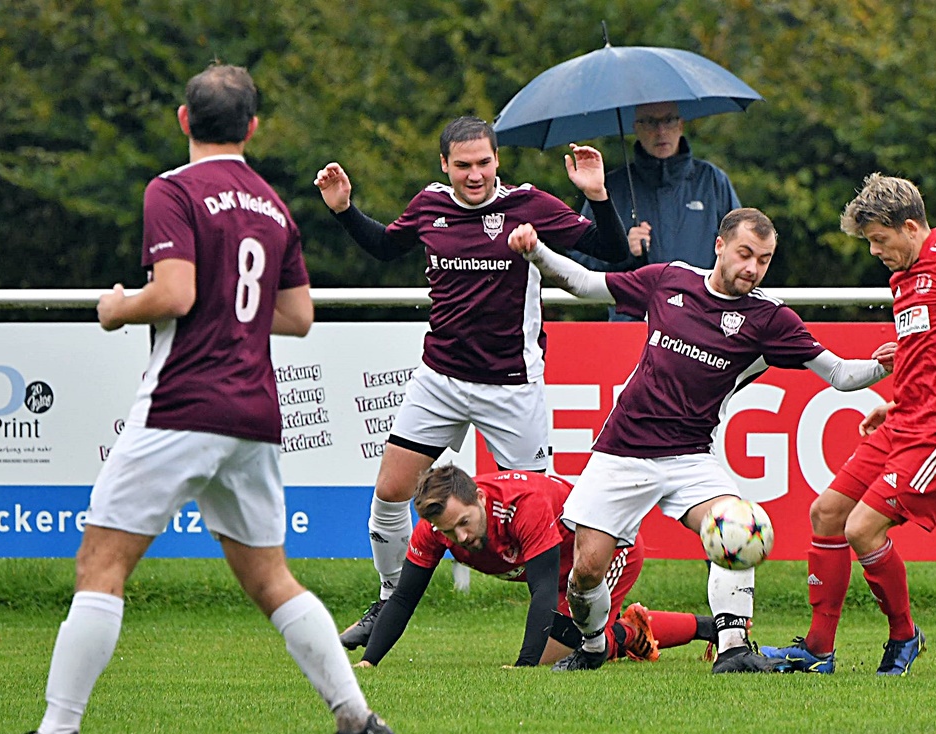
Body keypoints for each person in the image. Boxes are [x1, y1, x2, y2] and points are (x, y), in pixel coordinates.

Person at [0, 64, 393, 734]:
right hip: (255, 410)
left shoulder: (171, 190)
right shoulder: (271, 204)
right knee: (271, 579)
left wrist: (116, 307)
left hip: (182, 403)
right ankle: (355, 718)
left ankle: (58, 732)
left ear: (182, 120)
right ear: (253, 128)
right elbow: (297, 317)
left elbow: (173, 292)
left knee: (101, 564)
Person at [506, 208, 896, 673]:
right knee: (586, 570)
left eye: (764, 260)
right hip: (621, 452)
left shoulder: (768, 319)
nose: (752, 268)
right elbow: (587, 284)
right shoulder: (670, 280)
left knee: (737, 525)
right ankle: (592, 644)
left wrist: (879, 366)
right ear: (720, 246)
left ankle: (732, 649)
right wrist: (537, 252)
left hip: (690, 457)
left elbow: (836, 371)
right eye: (745, 254)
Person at [314, 118, 629, 648]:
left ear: (497, 159)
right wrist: (345, 210)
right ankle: (389, 597)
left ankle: (562, 626)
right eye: (463, 165)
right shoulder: (430, 205)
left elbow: (613, 251)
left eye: (484, 162)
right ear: (445, 165)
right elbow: (387, 247)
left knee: (536, 516)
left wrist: (596, 195)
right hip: (440, 377)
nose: (475, 174)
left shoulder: (529, 206)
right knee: (391, 490)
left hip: (512, 387)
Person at [759, 174, 936, 676]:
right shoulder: (905, 278)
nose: (874, 251)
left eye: (879, 240)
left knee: (862, 529)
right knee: (826, 513)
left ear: (910, 227)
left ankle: (904, 636)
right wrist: (893, 403)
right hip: (905, 420)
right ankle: (817, 650)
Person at [355, 464, 718, 668]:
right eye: (448, 531)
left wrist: (522, 667)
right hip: (563, 572)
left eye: (464, 523)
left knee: (584, 648)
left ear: (480, 498)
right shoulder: (435, 530)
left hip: (606, 553)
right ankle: (702, 627)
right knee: (571, 646)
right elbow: (403, 598)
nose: (459, 538)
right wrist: (370, 663)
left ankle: (626, 633)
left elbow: (542, 590)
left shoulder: (522, 504)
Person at [570, 100, 741, 321]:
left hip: (702, 325)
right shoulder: (608, 188)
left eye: (668, 120)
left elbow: (740, 251)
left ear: (681, 125)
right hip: (632, 326)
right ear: (635, 127)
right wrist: (620, 249)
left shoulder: (712, 181)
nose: (661, 131)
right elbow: (580, 261)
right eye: (650, 122)